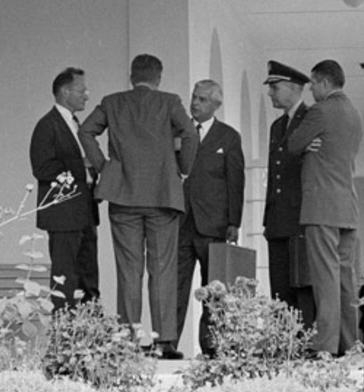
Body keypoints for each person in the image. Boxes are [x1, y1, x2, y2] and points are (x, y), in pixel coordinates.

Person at [79, 54, 198, 360]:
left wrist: (104, 168)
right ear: (159, 77)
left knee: (129, 271)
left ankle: (129, 340)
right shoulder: (169, 102)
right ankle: (162, 341)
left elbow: (86, 131)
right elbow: (190, 133)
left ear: (131, 76)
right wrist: (181, 169)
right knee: (162, 268)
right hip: (162, 196)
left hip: (124, 195)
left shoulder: (112, 101)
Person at [287, 59, 363, 358]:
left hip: (321, 206)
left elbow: (293, 144)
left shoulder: (321, 111)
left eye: (314, 84)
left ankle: (325, 344)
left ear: (324, 83)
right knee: (346, 279)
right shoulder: (354, 113)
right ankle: (349, 343)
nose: (313, 90)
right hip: (347, 206)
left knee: (324, 277)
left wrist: (308, 144)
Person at [176, 79, 245, 357]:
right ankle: (168, 343)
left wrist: (234, 222)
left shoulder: (228, 137)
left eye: (203, 99)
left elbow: (235, 181)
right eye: (194, 96)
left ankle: (213, 345)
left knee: (214, 289)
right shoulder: (178, 132)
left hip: (214, 224)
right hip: (180, 222)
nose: (195, 103)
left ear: (216, 104)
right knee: (175, 286)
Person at [30, 67, 100, 312]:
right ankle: (66, 338)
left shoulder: (74, 123)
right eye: (82, 90)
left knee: (88, 276)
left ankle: (91, 335)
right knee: (66, 277)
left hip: (84, 211)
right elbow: (42, 167)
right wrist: (81, 166)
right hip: (63, 214)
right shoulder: (47, 125)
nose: (87, 95)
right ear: (64, 91)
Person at [262, 60, 315, 328]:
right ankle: (284, 340)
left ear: (294, 88)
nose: (271, 93)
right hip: (278, 218)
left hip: (300, 216)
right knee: (280, 287)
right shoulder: (276, 127)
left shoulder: (311, 119)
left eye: (275, 87)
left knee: (302, 285)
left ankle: (304, 341)